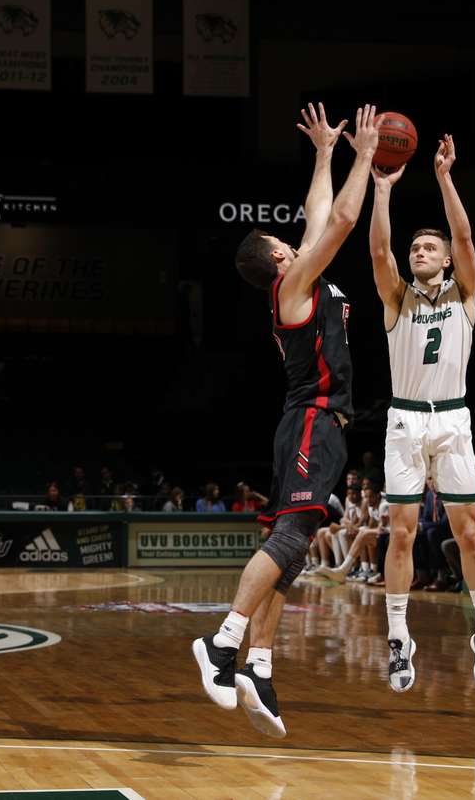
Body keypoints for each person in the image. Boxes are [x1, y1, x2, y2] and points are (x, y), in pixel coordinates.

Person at [192, 102, 381, 738]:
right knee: (290, 542)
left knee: (292, 550)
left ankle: (260, 668)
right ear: (276, 258)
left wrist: (325, 154)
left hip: (317, 424)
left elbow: (320, 215)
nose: (294, 239)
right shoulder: (292, 285)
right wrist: (364, 153)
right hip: (312, 421)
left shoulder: (301, 280)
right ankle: (222, 645)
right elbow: (345, 218)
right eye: (284, 242)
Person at [371, 131, 475, 692]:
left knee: (468, 534)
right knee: (400, 534)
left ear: (445, 261)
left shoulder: (464, 294)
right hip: (405, 419)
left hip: (452, 418)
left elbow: (466, 236)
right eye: (415, 248)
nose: (417, 252)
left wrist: (445, 178)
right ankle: (399, 639)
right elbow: (379, 251)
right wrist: (381, 191)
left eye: (428, 249)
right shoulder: (397, 298)